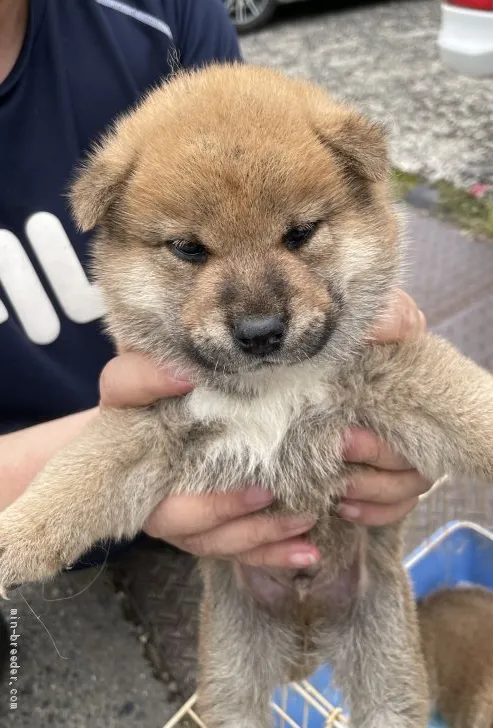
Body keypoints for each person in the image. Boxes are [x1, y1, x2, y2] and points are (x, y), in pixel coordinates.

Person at [0, 0, 431, 573]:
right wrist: (143, 450)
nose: (255, 312)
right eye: (190, 250)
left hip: (258, 517)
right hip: (78, 543)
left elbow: (268, 176)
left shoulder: (161, 14)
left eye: (298, 234)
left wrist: (405, 396)